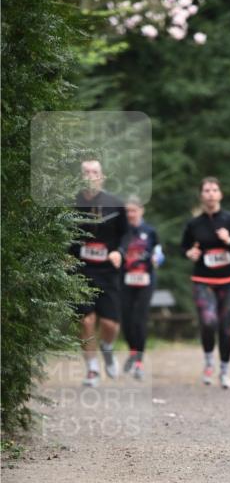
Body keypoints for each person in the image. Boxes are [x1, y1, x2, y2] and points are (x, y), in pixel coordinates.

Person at [181, 177, 230, 389]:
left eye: (214, 190)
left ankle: (224, 370)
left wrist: (229, 241)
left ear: (220, 194)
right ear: (201, 195)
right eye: (206, 190)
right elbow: (184, 247)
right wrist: (190, 252)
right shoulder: (194, 224)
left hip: (229, 281)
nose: (211, 194)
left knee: (225, 327)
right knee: (208, 321)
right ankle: (208, 362)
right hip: (203, 280)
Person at [70, 159, 128, 387]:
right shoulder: (70, 205)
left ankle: (107, 347)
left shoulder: (115, 204)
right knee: (86, 321)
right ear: (79, 176)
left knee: (110, 324)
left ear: (102, 177)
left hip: (107, 271)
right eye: (85, 172)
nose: (90, 176)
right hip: (80, 270)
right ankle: (92, 369)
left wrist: (120, 252)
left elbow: (126, 235)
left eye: (94, 172)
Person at [120, 197, 164, 380]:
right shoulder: (121, 231)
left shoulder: (150, 231)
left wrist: (157, 259)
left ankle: (139, 361)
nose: (131, 214)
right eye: (128, 211)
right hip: (125, 280)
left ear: (141, 211)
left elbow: (160, 253)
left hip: (146, 279)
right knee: (126, 319)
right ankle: (132, 351)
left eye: (134, 210)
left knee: (139, 318)